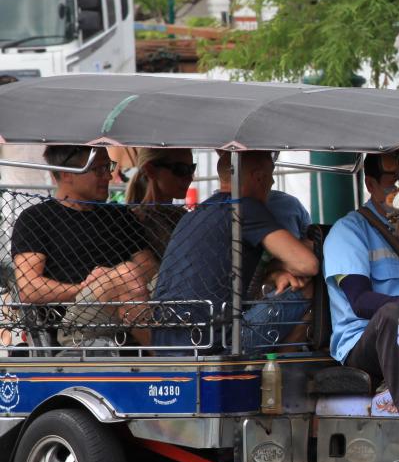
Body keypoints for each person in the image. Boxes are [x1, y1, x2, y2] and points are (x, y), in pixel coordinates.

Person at [152, 151, 318, 353]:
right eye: (271, 177)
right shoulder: (244, 207)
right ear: (259, 177)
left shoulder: (197, 213)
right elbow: (307, 265)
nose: (272, 183)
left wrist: (275, 270)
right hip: (217, 346)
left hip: (167, 344)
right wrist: (282, 266)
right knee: (311, 287)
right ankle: (280, 374)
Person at [324, 155, 399, 461]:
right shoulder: (349, 231)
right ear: (370, 184)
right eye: (393, 180)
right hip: (362, 343)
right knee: (394, 317)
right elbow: (360, 300)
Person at [11, 145, 157, 340]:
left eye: (109, 166)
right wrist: (89, 287)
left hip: (127, 304)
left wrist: (113, 280)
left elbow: (149, 268)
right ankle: (162, 357)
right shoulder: (36, 218)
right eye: (99, 169)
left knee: (147, 278)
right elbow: (29, 289)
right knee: (124, 274)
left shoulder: (120, 216)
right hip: (72, 323)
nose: (108, 176)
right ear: (67, 174)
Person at [125, 147, 196, 258]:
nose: (190, 178)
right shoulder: (133, 221)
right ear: (151, 170)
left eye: (192, 169)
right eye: (181, 170)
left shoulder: (182, 216)